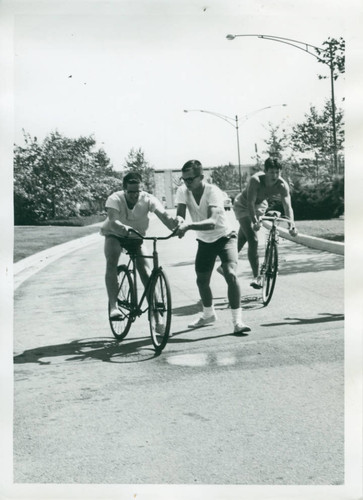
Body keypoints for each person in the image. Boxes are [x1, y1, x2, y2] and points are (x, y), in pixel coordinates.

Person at [175, 159, 251, 334]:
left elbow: (212, 222)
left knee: (230, 274)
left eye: (190, 179)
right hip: (204, 240)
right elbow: (180, 214)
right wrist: (179, 223)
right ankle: (208, 314)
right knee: (202, 281)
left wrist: (188, 227)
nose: (186, 183)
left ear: (201, 177)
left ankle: (237, 321)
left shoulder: (213, 192)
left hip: (225, 237)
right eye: (184, 179)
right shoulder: (183, 191)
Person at [100, 172, 179, 324]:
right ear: (124, 190)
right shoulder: (115, 199)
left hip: (136, 237)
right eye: (130, 192)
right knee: (111, 261)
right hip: (115, 235)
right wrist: (122, 228)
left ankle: (155, 314)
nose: (134, 195)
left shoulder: (148, 198)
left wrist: (175, 228)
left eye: (137, 191)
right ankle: (114, 307)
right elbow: (113, 220)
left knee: (146, 270)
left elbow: (164, 216)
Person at [233, 157, 297, 289]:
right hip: (244, 205)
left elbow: (287, 206)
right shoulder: (256, 180)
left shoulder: (282, 184)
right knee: (253, 239)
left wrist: (292, 225)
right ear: (265, 171)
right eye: (271, 172)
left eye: (277, 172)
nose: (275, 176)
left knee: (243, 237)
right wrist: (255, 221)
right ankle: (257, 277)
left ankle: (225, 265)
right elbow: (250, 203)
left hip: (260, 204)